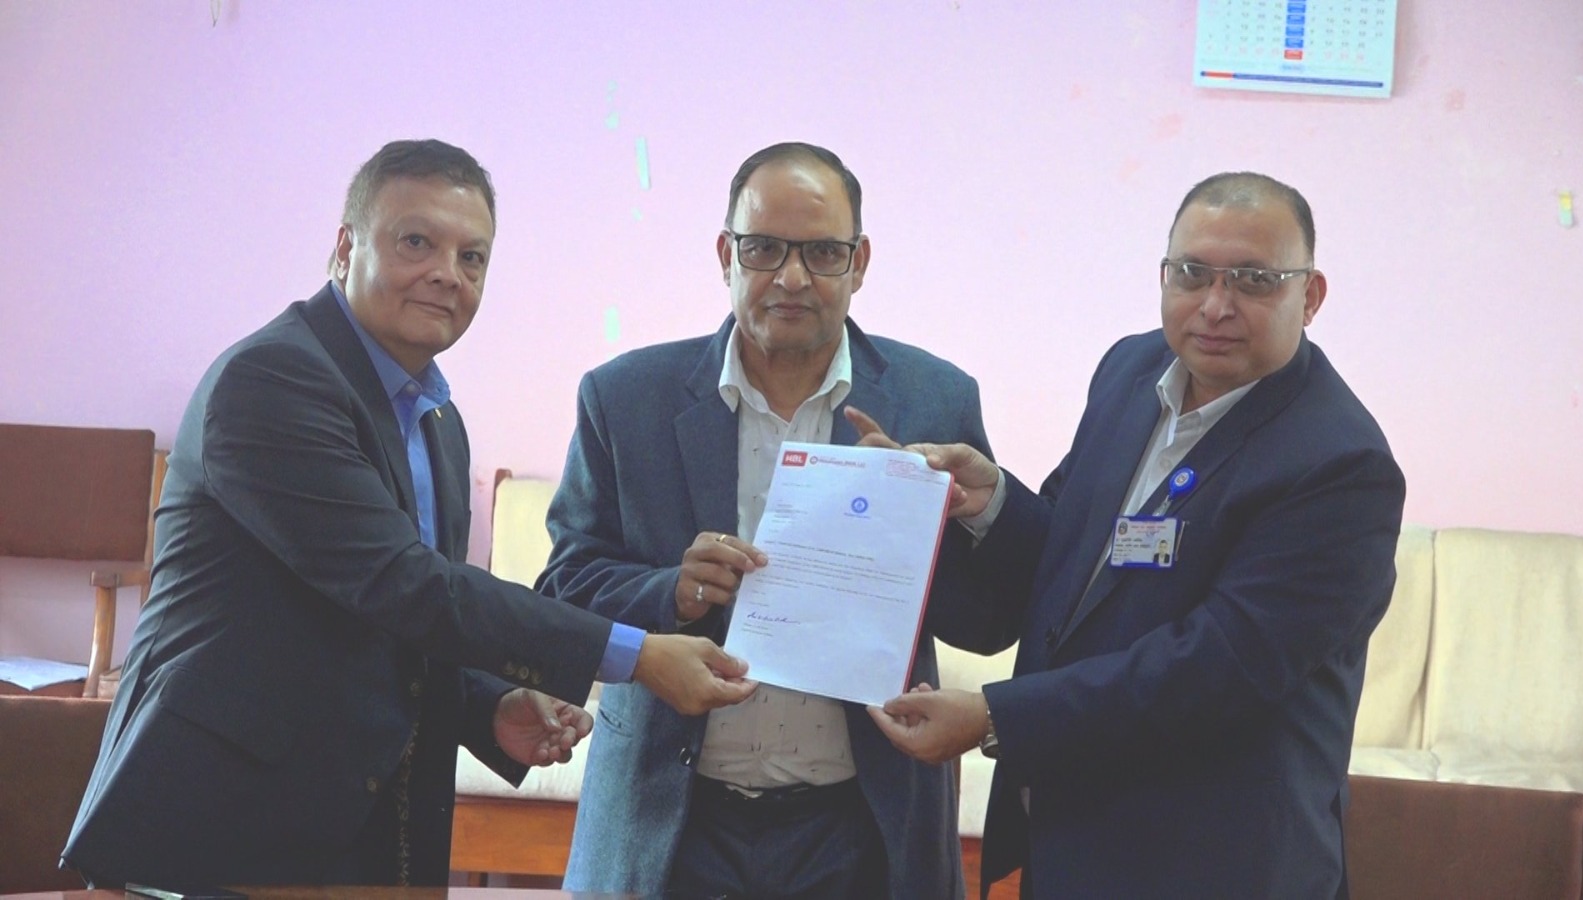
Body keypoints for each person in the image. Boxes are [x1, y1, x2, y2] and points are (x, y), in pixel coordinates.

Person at [62, 139, 756, 891]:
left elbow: (406, 624)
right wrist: (636, 654)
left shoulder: (435, 416)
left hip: (366, 828)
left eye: (472, 257)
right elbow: (403, 582)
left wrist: (488, 706)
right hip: (223, 825)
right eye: (417, 242)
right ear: (345, 248)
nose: (447, 273)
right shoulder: (272, 381)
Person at [868, 172, 1406, 898]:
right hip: (1075, 834)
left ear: (1310, 297)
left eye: (1253, 280)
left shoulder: (1341, 465)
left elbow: (1213, 668)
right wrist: (989, 498)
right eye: (1193, 273)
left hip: (1215, 864)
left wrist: (995, 715)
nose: (1216, 305)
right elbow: (1074, 557)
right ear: (1163, 275)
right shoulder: (1132, 369)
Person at [539, 142, 1007, 899]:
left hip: (862, 824)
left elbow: (989, 622)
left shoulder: (933, 399)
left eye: (822, 253)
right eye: (764, 249)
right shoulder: (626, 398)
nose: (792, 277)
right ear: (726, 254)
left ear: (859, 263)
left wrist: (918, 526)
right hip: (670, 820)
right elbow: (562, 591)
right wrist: (672, 592)